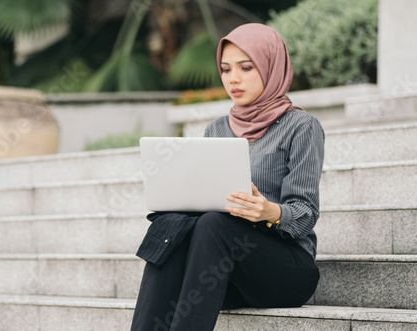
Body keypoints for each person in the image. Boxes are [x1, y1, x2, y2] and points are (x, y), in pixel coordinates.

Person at [131, 23, 324, 331]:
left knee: (213, 223)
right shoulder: (217, 129)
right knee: (173, 224)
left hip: (285, 271)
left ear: (271, 66)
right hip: (223, 273)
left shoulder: (301, 126)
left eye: (246, 67)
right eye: (225, 69)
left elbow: (305, 214)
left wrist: (269, 211)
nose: (233, 78)